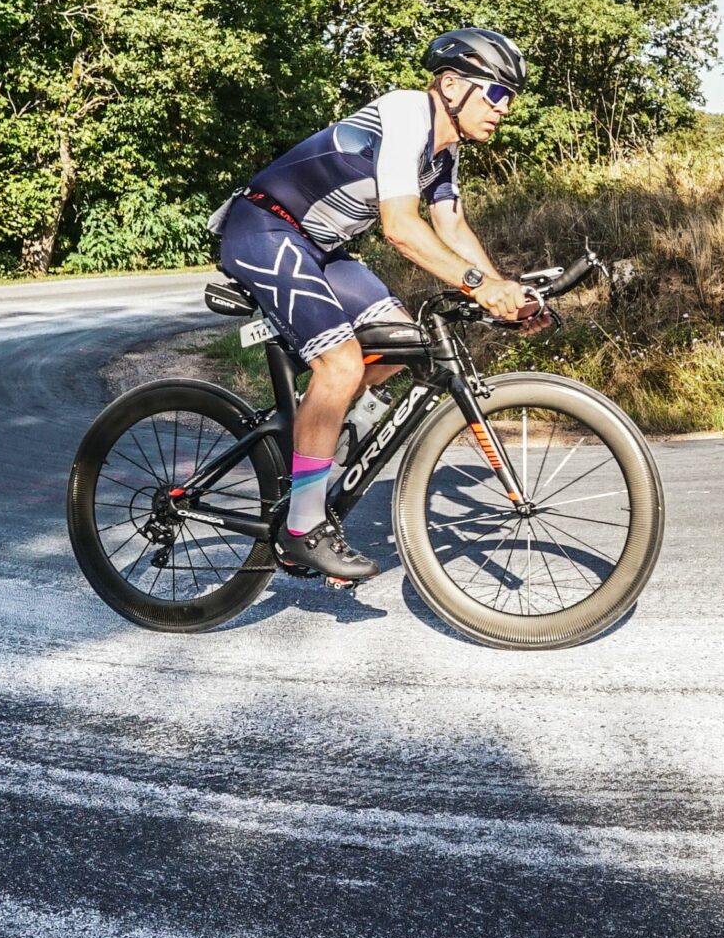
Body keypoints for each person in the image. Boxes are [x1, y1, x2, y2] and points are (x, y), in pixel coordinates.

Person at [213, 29, 537, 582]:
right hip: (263, 227)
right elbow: (400, 228)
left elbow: (451, 226)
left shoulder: (445, 153)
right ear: (453, 85)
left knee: (405, 344)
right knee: (339, 364)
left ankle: (315, 433)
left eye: (510, 99)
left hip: (319, 248)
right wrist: (478, 286)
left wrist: (504, 291)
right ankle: (303, 527)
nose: (505, 110)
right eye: (497, 94)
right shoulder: (408, 113)